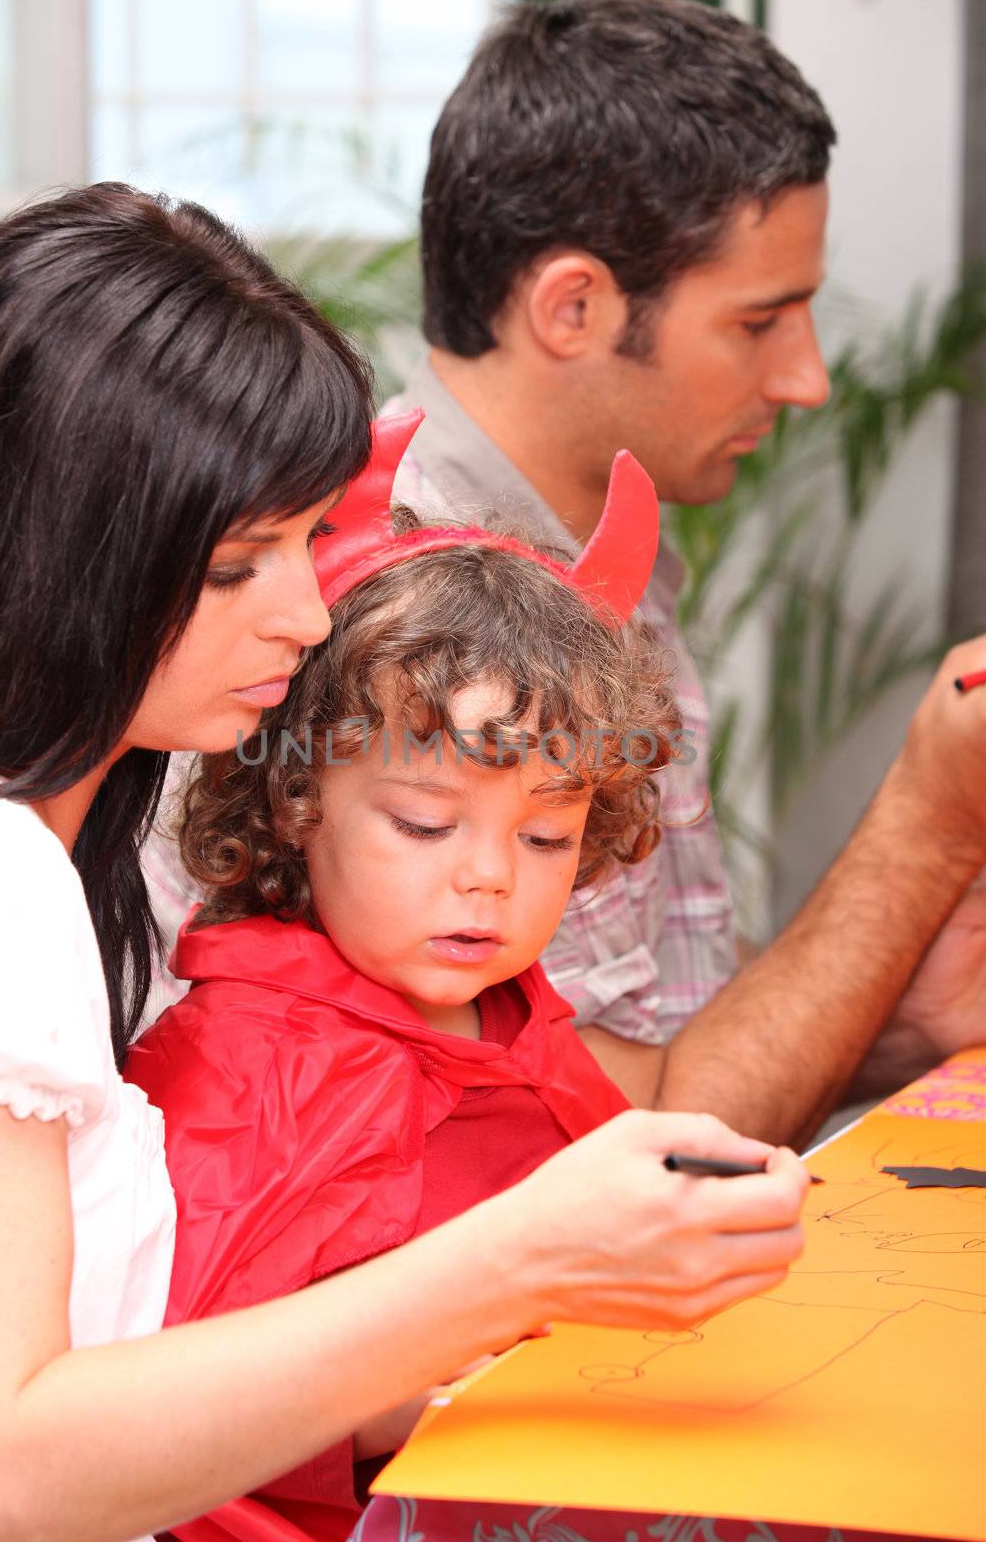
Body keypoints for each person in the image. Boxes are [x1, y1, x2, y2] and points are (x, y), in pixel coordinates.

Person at [0, 184, 810, 1542]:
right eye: (241, 562)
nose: (301, 614)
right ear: (67, 554)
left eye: (302, 543)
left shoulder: (52, 851)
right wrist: (521, 1261)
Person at [143, 0, 986, 1146]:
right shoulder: (390, 605)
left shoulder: (599, 547)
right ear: (573, 306)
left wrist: (904, 1022)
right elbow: (620, 1136)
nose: (807, 380)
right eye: (759, 321)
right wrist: (929, 819)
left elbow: (681, 1037)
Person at [126, 415, 714, 1538]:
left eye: (545, 839)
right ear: (296, 798)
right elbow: (198, 1413)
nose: (487, 879)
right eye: (423, 823)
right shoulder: (240, 1071)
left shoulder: (515, 1015)